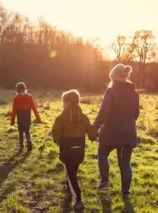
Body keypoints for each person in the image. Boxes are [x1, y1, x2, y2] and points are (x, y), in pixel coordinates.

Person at [95, 64, 140, 199]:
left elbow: (104, 112)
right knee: (125, 163)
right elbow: (136, 113)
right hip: (129, 133)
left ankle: (105, 182)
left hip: (111, 132)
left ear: (113, 76)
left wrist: (95, 127)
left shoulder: (110, 91)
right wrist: (128, 124)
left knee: (102, 153)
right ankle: (125, 192)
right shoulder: (135, 93)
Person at [52, 89, 97, 210]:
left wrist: (58, 140)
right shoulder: (83, 117)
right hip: (80, 148)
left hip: (67, 148)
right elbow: (91, 130)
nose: (63, 104)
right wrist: (93, 136)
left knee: (71, 174)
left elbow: (55, 132)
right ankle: (68, 189)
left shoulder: (62, 118)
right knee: (73, 171)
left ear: (69, 102)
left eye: (64, 102)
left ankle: (78, 199)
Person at [11, 82, 41, 152]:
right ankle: (29, 141)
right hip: (27, 119)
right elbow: (34, 108)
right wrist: (38, 119)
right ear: (25, 88)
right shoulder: (29, 97)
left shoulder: (16, 98)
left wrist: (12, 122)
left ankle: (21, 146)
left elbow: (13, 111)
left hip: (20, 119)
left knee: (21, 133)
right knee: (27, 131)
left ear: (17, 90)